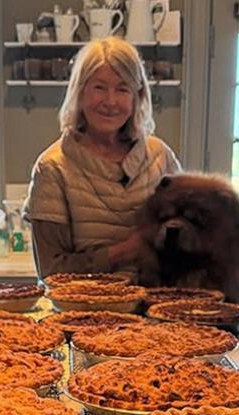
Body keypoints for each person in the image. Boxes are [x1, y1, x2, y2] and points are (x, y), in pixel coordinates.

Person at [22, 37, 181, 279]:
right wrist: (126, 251)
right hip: (83, 312)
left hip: (158, 308)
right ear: (80, 92)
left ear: (137, 97)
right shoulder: (53, 168)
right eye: (99, 87)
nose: (110, 101)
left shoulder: (161, 157)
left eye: (122, 89)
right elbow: (51, 271)